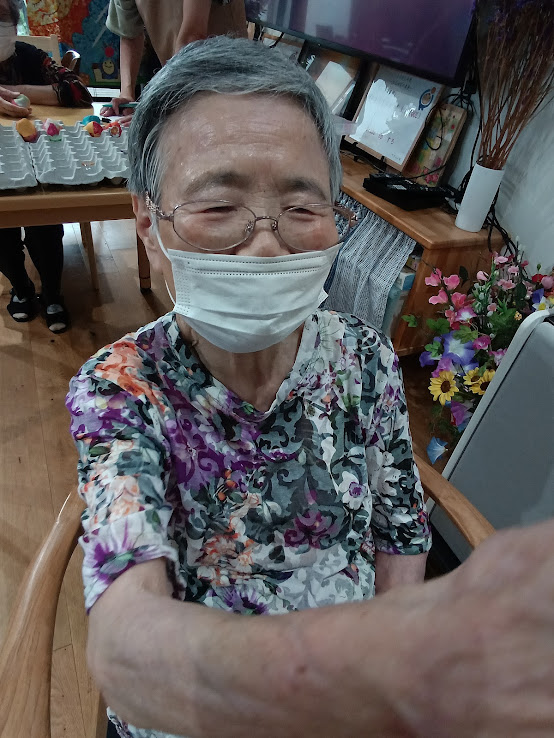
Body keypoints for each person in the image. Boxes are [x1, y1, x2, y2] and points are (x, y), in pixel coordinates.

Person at [65, 38, 554, 738]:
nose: (268, 245)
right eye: (218, 206)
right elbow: (127, 645)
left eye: (302, 209)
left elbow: (400, 531)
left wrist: (392, 657)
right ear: (148, 223)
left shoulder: (364, 360)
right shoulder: (121, 389)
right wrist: (365, 673)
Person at [0, 0, 92, 332]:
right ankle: (21, 287)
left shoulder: (29, 56)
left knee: (44, 219)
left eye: (2, 20)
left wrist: (16, 91)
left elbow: (77, 91)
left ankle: (52, 291)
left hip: (40, 153)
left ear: (14, 27)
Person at [101, 0, 246, 117]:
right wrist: (127, 95)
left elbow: (193, 36)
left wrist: (159, 105)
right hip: (179, 75)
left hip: (227, 77)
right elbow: (129, 33)